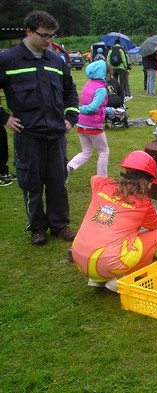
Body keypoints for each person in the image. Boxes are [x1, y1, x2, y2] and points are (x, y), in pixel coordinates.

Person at [0, 10, 79, 245]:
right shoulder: (8, 60)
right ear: (29, 32)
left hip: (55, 134)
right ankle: (37, 228)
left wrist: (71, 117)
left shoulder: (56, 60)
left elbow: (70, 92)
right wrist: (4, 118)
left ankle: (60, 225)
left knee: (57, 182)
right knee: (31, 184)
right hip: (28, 135)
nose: (49, 41)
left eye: (51, 36)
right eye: (44, 36)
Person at [72, 151, 157, 291]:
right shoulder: (144, 203)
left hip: (78, 258)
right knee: (156, 237)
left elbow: (93, 178)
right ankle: (122, 278)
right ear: (149, 180)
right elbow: (156, 226)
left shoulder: (101, 184)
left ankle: (96, 279)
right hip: (108, 264)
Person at [67, 61, 112, 177]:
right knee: (104, 151)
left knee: (86, 152)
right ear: (104, 74)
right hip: (93, 126)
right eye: (109, 74)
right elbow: (92, 108)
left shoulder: (88, 84)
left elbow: (95, 106)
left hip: (81, 124)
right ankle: (102, 178)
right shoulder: (101, 89)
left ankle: (67, 168)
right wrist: (79, 109)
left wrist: (110, 110)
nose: (109, 77)